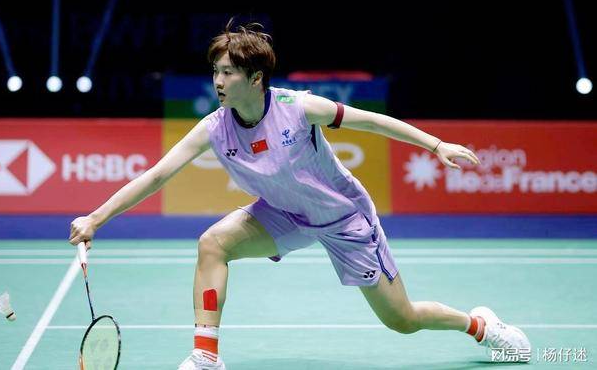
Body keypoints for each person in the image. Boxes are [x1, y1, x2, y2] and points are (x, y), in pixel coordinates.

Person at [69, 20, 531, 369]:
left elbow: (372, 122)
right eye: (215, 71)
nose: (218, 81)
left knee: (402, 319)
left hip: (344, 218)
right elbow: (155, 176)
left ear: (255, 78)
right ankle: (206, 356)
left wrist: (435, 145)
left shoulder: (297, 108)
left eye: (228, 72)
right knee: (213, 244)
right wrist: (96, 218)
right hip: (284, 215)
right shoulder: (214, 128)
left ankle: (481, 326)